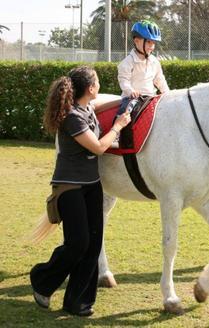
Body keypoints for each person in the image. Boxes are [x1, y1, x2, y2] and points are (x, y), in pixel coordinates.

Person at [30, 66, 131, 316]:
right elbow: (97, 147)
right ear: (90, 88)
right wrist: (118, 126)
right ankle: (42, 278)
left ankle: (78, 302)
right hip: (69, 188)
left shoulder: (86, 109)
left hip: (91, 186)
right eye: (97, 82)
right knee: (78, 244)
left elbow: (98, 108)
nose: (99, 85)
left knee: (93, 244)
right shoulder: (72, 117)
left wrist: (129, 98)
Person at [113, 20, 169, 148]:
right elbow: (123, 80)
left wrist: (168, 93)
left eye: (153, 42)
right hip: (133, 97)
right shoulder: (127, 62)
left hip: (150, 97)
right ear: (137, 40)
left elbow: (160, 80)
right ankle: (116, 134)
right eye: (148, 41)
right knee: (126, 110)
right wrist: (130, 90)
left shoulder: (155, 61)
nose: (152, 46)